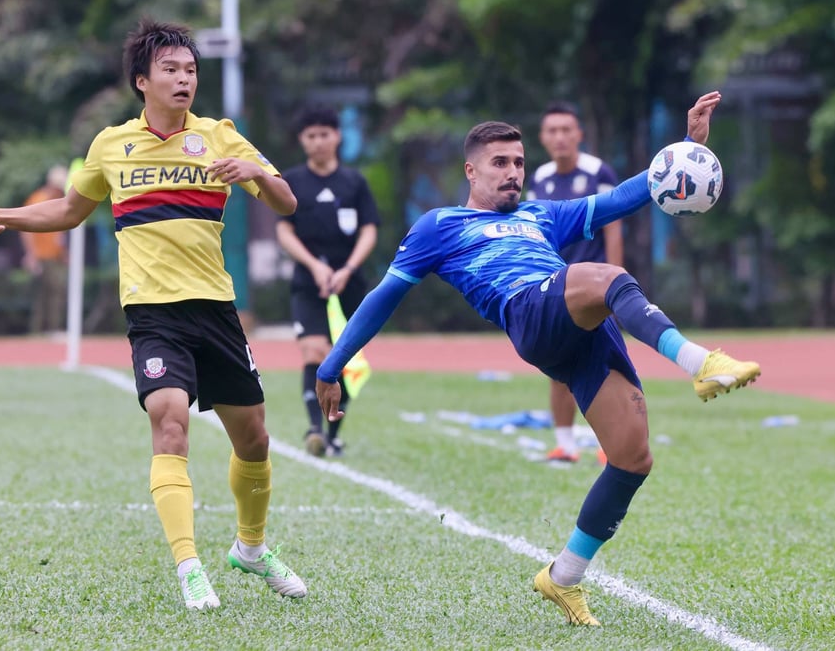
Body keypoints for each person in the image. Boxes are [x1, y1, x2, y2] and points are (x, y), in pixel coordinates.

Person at [316, 91, 760, 626]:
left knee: (632, 457)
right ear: (471, 171)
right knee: (607, 276)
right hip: (528, 312)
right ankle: (700, 363)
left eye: (519, 163)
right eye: (499, 163)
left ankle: (564, 577)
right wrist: (333, 362)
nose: (512, 172)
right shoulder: (440, 225)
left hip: (576, 326)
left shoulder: (541, 214)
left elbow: (622, 197)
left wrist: (687, 150)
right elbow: (383, 296)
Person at [0, 19, 307, 612]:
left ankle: (249, 549)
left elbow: (287, 201)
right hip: (153, 313)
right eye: (172, 70)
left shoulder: (222, 137)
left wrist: (258, 173)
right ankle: (189, 565)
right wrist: (5, 213)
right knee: (169, 421)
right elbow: (71, 210)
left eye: (191, 70)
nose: (184, 79)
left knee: (254, 440)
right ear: (142, 81)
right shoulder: (111, 145)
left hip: (216, 310)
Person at [276, 105, 381, 458]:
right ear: (302, 141)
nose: (318, 142)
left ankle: (334, 432)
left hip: (350, 282)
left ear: (337, 136)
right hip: (309, 282)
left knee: (346, 358)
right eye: (310, 136)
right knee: (314, 351)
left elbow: (369, 230)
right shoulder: (292, 181)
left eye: (324, 134)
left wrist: (347, 268)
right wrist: (314, 266)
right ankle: (313, 429)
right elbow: (284, 230)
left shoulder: (354, 182)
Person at [527, 101, 621, 465]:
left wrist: (617, 282)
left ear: (579, 134)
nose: (560, 137)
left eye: (567, 130)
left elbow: (613, 227)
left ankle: (609, 443)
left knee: (607, 365)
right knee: (556, 364)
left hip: (597, 286)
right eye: (552, 130)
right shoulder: (539, 178)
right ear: (543, 137)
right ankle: (564, 444)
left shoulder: (599, 172)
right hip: (556, 287)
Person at [19, 164, 69, 334]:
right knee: (44, 295)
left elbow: (59, 232)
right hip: (41, 256)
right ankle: (41, 331)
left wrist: (63, 253)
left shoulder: (58, 201)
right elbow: (25, 229)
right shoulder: (38, 199)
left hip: (55, 256)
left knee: (56, 292)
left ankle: (50, 329)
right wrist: (31, 255)